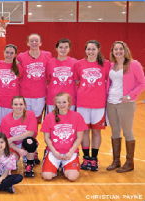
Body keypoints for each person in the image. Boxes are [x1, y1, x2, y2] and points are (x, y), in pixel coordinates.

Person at [106, 41, 145, 173]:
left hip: (126, 104)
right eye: (115, 49)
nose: (118, 51)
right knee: (115, 132)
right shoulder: (112, 65)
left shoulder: (134, 64)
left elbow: (142, 83)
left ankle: (129, 163)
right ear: (112, 51)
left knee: (127, 132)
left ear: (125, 50)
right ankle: (116, 161)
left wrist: (129, 96)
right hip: (111, 103)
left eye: (120, 49)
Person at [74, 40, 110, 171]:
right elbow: (77, 80)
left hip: (99, 104)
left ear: (98, 49)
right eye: (88, 49)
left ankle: (94, 159)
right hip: (83, 103)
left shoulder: (106, 64)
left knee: (96, 132)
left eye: (93, 49)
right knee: (84, 131)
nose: (91, 52)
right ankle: (86, 158)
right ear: (85, 50)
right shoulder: (79, 64)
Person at [41, 93, 87, 181]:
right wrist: (54, 151)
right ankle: (54, 163)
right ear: (55, 104)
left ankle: (63, 166)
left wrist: (71, 152)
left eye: (64, 102)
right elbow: (47, 138)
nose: (61, 105)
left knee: (72, 178)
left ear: (69, 103)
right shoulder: (49, 117)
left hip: (70, 152)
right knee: (47, 176)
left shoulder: (77, 116)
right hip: (54, 152)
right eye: (59, 102)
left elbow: (79, 138)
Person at [17, 33, 52, 124]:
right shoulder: (21, 57)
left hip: (40, 94)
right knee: (24, 119)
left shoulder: (47, 55)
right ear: (28, 43)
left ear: (40, 43)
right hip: (24, 94)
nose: (34, 43)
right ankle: (24, 138)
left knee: (36, 121)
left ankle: (33, 138)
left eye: (36, 41)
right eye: (31, 41)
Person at [0, 96, 38, 177]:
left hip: (26, 143)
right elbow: (7, 140)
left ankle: (29, 163)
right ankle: (18, 157)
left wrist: (12, 138)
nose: (18, 107)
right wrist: (18, 150)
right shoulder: (5, 119)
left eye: (21, 104)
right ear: (12, 105)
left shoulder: (30, 114)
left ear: (24, 105)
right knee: (12, 163)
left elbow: (30, 133)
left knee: (30, 141)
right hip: (13, 145)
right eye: (16, 104)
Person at [0, 44, 23, 126]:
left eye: (12, 53)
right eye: (7, 52)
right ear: (3, 53)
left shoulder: (19, 67)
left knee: (8, 126)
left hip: (11, 102)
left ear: (15, 55)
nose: (9, 55)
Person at [46, 39, 77, 113]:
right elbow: (47, 79)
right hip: (53, 99)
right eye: (61, 47)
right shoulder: (50, 62)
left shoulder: (75, 62)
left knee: (68, 123)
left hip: (69, 99)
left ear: (69, 49)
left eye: (66, 47)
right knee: (52, 122)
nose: (63, 49)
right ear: (56, 48)